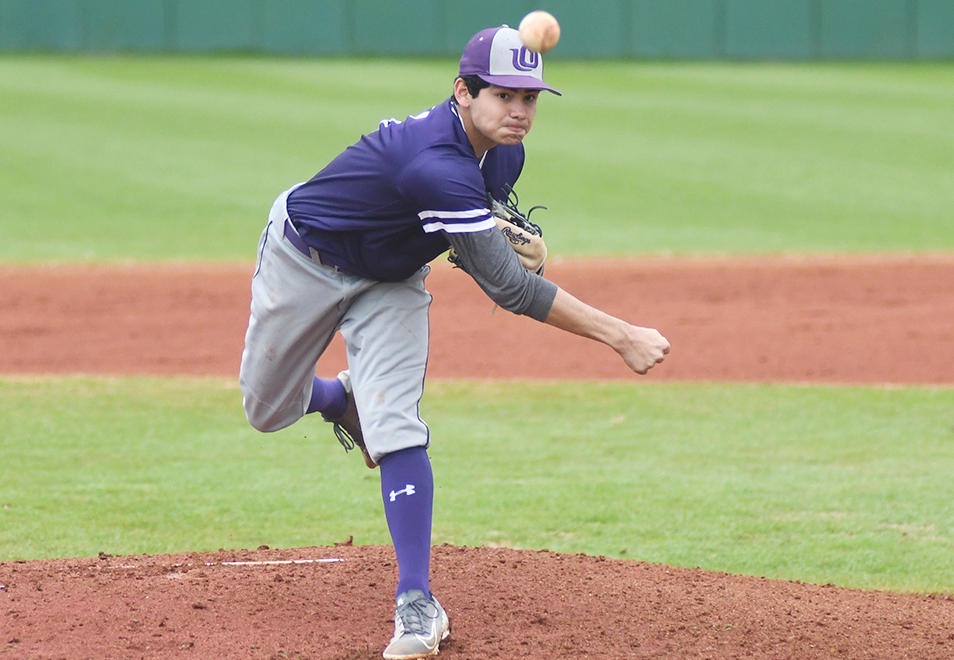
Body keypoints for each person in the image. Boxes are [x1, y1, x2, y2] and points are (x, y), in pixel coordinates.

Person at [239, 25, 670, 660]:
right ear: (462, 93)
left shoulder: (503, 153)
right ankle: (338, 401)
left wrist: (492, 234)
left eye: (530, 99)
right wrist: (620, 334)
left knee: (397, 427)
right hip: (304, 258)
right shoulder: (434, 163)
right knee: (266, 409)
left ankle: (416, 602)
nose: (520, 113)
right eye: (505, 96)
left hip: (391, 279)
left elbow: (470, 244)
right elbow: (511, 291)